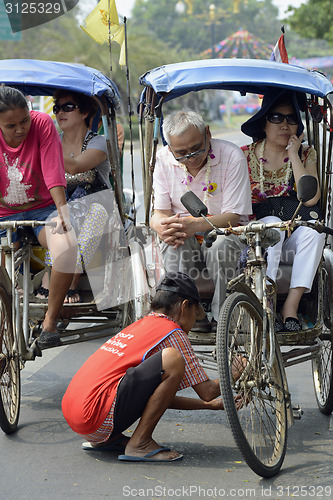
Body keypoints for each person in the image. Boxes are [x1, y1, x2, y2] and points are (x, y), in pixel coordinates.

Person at [61, 271, 236, 462]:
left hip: (81, 419)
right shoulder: (173, 332)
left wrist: (210, 406)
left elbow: (156, 398)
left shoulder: (142, 324)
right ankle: (140, 443)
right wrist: (235, 372)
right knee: (173, 359)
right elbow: (208, 391)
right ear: (185, 307)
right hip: (96, 417)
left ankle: (105, 440)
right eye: (196, 313)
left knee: (165, 364)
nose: (195, 321)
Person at [150, 110, 252, 333]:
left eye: (196, 148)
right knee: (171, 240)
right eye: (182, 153)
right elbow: (160, 212)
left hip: (226, 235)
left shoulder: (232, 156)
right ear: (169, 147)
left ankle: (223, 314)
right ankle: (190, 312)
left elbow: (233, 217)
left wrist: (192, 225)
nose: (191, 157)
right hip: (185, 239)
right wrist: (159, 225)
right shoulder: (162, 159)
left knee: (220, 244)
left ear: (208, 133)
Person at [241, 90, 325, 332]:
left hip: (294, 234)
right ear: (264, 122)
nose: (285, 125)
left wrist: (293, 154)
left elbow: (311, 199)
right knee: (270, 225)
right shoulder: (244, 155)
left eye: (291, 119)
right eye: (277, 118)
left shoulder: (306, 153)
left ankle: (290, 306)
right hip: (254, 237)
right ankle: (265, 301)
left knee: (314, 233)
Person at [0, 85, 77, 348]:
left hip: (43, 207)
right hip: (3, 213)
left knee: (66, 247)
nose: (21, 129)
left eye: (24, 120)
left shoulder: (42, 124)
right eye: (11, 126)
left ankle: (50, 322)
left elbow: (53, 170)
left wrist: (63, 211)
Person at [36, 90, 112, 304]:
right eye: (57, 107)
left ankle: (72, 279)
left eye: (68, 107)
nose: (60, 112)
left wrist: (43, 148)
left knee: (90, 212)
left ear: (85, 112)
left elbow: (77, 166)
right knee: (59, 217)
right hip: (62, 205)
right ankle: (49, 275)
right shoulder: (53, 141)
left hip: (96, 203)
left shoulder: (98, 142)